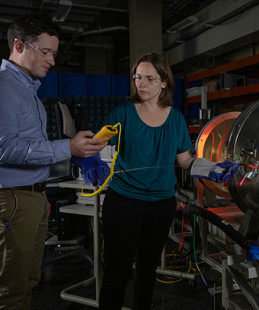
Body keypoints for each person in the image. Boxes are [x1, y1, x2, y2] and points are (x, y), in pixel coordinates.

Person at [98, 52, 239, 310]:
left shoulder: (175, 118)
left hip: (160, 205)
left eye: (149, 78)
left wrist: (213, 169)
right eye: (137, 77)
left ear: (164, 82)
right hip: (124, 203)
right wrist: (90, 158)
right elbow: (98, 146)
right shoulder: (122, 113)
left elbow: (185, 160)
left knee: (147, 270)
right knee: (117, 272)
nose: (141, 84)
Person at [0, 15, 109, 309]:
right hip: (11, 199)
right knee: (10, 289)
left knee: (28, 281)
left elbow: (29, 147)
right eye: (45, 52)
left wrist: (41, 192)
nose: (51, 61)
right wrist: (67, 146)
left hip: (30, 195)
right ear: (19, 45)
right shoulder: (4, 87)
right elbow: (4, 148)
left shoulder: (28, 90)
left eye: (54, 53)